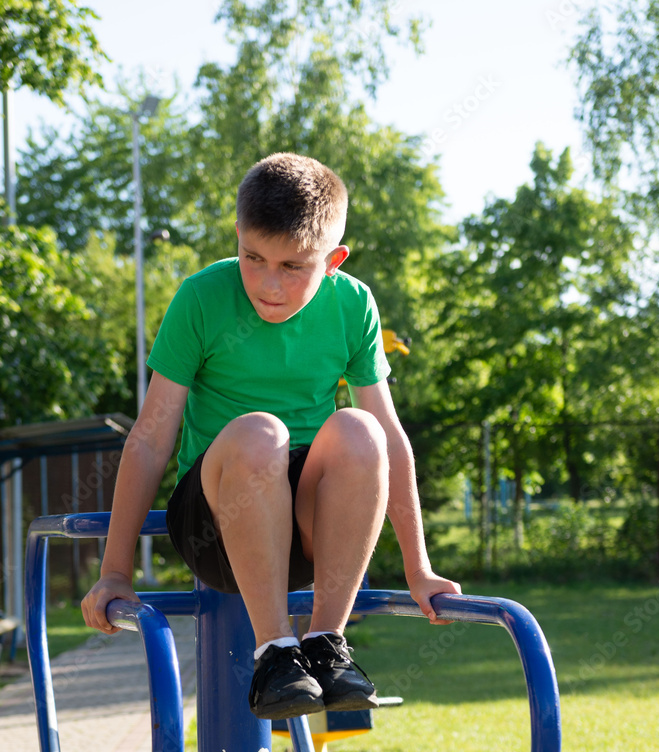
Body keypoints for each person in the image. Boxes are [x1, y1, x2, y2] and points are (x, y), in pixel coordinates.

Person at [81, 152, 461, 720]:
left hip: (308, 534)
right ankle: (275, 652)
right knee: (263, 432)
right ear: (237, 234)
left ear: (333, 260)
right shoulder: (203, 297)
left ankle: (326, 644)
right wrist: (115, 570)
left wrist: (418, 567)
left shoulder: (353, 304)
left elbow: (390, 438)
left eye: (293, 267)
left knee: (360, 427)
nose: (268, 284)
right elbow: (150, 439)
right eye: (253, 257)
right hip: (215, 519)